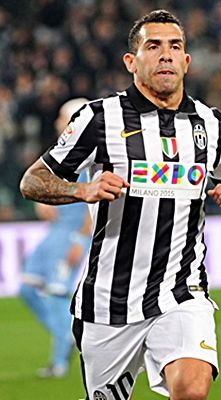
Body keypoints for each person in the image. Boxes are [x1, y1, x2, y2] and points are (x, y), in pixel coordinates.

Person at [19, 10, 221, 400]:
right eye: (153, 46)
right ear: (132, 61)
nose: (166, 55)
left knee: (192, 390)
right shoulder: (98, 118)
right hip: (108, 302)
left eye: (174, 47)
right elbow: (32, 180)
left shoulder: (212, 124)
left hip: (180, 292)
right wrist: (83, 190)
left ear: (186, 61)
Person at [19, 98, 92, 379]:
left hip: (71, 235)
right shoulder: (60, 154)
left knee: (57, 294)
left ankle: (59, 361)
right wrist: (43, 201)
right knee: (27, 289)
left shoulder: (90, 157)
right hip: (54, 233)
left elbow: (94, 205)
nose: (58, 123)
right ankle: (68, 333)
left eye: (63, 117)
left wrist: (80, 241)